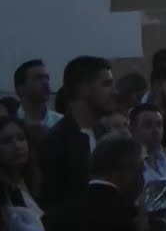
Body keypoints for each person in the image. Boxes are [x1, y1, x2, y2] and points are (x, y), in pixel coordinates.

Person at [40, 56, 115, 208]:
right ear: (84, 89)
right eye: (106, 84)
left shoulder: (108, 135)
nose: (114, 92)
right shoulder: (58, 142)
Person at [13, 59, 62, 132]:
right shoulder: (10, 122)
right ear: (21, 88)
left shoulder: (61, 123)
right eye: (38, 78)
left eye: (47, 78)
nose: (45, 82)